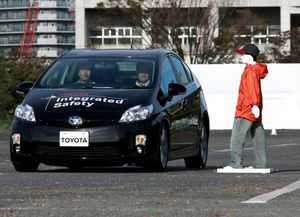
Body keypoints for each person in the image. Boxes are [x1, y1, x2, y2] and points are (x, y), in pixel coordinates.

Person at [224, 43, 268, 169]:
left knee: (237, 136)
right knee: (258, 136)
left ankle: (235, 164)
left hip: (246, 108)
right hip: (254, 108)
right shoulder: (255, 70)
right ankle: (261, 164)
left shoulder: (250, 72)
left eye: (243, 54)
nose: (240, 56)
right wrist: (257, 107)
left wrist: (254, 105)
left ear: (249, 56)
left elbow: (253, 90)